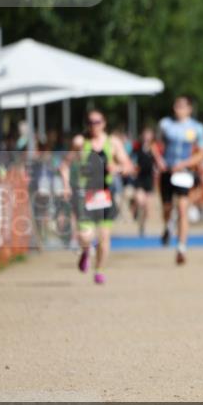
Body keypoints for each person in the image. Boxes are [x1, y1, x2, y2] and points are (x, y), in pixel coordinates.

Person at [60, 110, 133, 284]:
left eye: (98, 122)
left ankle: (99, 270)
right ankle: (85, 251)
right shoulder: (80, 142)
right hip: (85, 194)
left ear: (104, 123)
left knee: (104, 237)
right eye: (91, 122)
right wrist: (66, 186)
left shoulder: (112, 143)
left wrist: (117, 169)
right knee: (85, 236)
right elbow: (64, 165)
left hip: (105, 194)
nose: (94, 125)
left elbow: (128, 165)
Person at [153, 95, 203, 265]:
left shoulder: (197, 128)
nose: (178, 109)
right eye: (176, 106)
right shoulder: (165, 124)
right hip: (167, 171)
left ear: (189, 109)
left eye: (182, 106)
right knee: (167, 207)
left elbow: (202, 152)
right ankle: (168, 226)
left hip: (184, 172)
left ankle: (182, 247)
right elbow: (154, 145)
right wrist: (160, 161)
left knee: (183, 208)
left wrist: (186, 163)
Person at [130, 128, 157, 237]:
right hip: (139, 177)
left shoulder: (154, 148)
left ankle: (143, 225)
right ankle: (134, 206)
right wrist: (132, 168)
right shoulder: (137, 146)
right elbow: (131, 158)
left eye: (149, 135)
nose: (147, 137)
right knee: (140, 200)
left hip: (149, 178)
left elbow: (158, 161)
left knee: (147, 206)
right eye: (145, 134)